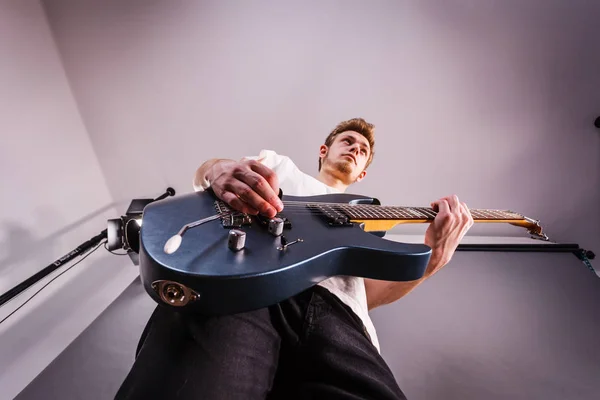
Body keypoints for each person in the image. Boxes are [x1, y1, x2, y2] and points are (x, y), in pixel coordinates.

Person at [115, 118, 474, 400]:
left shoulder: (367, 216)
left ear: (363, 172)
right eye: (347, 140)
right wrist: (217, 168)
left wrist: (432, 260)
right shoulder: (279, 166)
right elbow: (213, 174)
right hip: (237, 289)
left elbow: (368, 295)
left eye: (362, 149)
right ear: (324, 150)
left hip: (341, 319)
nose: (354, 148)